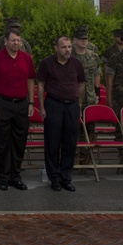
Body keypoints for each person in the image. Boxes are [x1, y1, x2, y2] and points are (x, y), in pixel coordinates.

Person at [0, 30, 36, 191]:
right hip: (2, 103)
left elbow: (31, 80)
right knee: (2, 142)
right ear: (5, 41)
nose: (16, 43)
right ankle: (3, 177)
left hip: (21, 104)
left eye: (18, 40)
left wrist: (31, 103)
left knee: (19, 142)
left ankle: (16, 176)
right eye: (13, 40)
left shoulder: (27, 58)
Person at [37, 36, 86, 192]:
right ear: (56, 48)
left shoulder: (77, 63)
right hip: (54, 105)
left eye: (69, 47)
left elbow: (82, 83)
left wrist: (79, 104)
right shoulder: (46, 63)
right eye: (64, 47)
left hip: (71, 106)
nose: (67, 50)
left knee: (70, 143)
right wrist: (42, 107)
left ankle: (66, 178)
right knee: (52, 143)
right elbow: (40, 85)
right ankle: (55, 178)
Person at [72, 26, 101, 114]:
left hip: (90, 97)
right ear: (75, 40)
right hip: (73, 97)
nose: (84, 41)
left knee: (90, 125)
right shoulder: (69, 57)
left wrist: (97, 93)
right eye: (81, 39)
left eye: (85, 39)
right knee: (75, 126)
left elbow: (97, 74)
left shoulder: (94, 56)